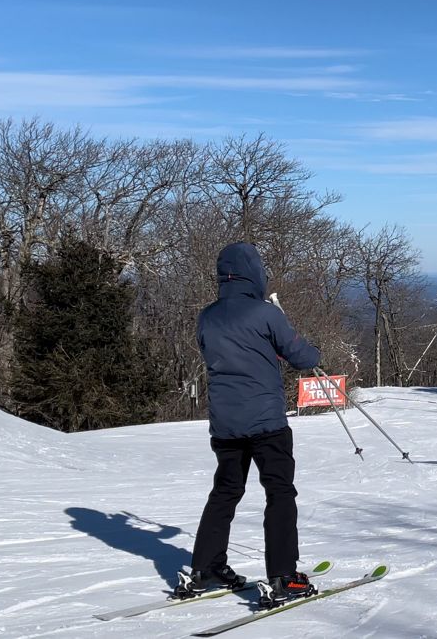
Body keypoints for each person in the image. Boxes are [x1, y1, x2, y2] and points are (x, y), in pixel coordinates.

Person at [176, 242, 322, 606]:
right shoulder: (265, 314)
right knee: (280, 492)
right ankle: (284, 576)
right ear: (254, 272)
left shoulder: (207, 316)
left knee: (225, 493)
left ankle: (205, 568)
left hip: (225, 424)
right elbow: (301, 357)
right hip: (266, 422)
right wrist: (309, 347)